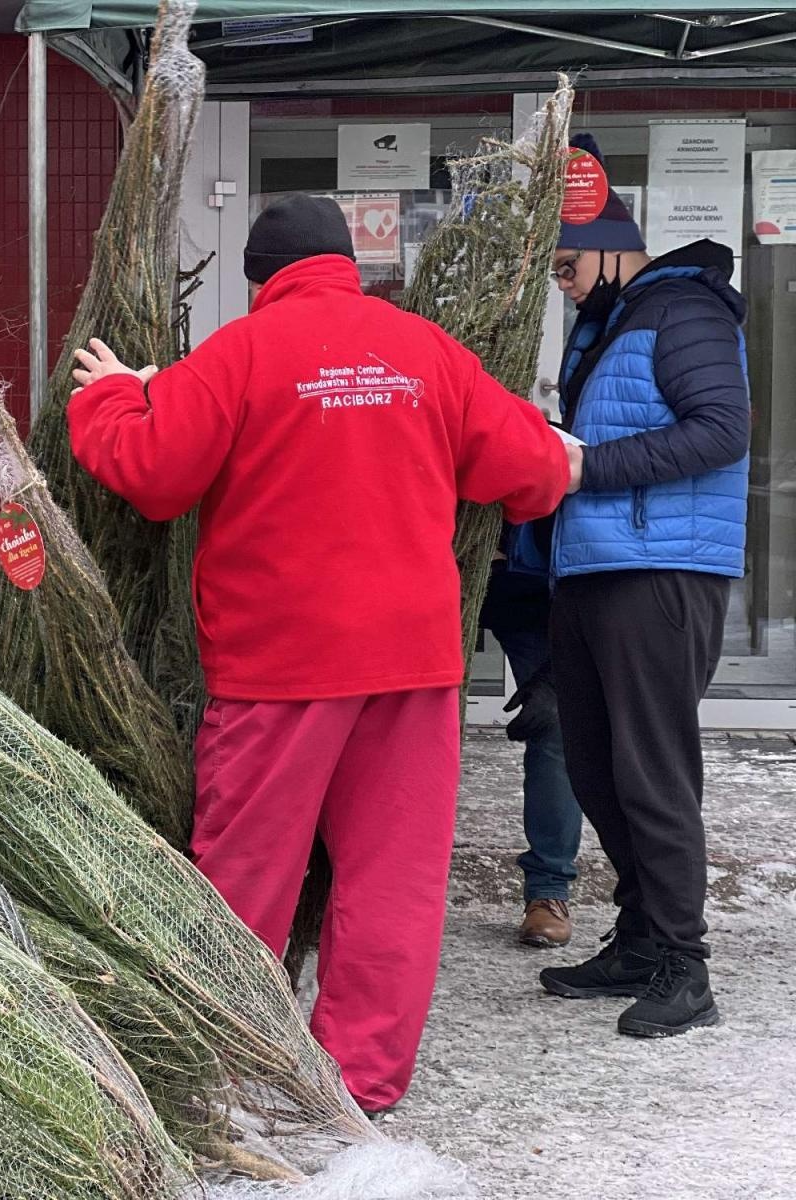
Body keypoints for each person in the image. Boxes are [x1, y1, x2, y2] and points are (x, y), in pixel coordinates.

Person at [66, 192, 574, 1111]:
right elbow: (532, 474)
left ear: (260, 282)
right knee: (393, 885)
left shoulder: (240, 354)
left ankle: (226, 1069)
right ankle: (361, 1087)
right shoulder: (426, 353)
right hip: (414, 670)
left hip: (279, 671)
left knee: (243, 885)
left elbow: (150, 472)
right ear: (351, 266)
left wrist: (111, 394)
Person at [537, 135, 751, 1038]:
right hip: (594, 569)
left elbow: (723, 430)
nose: (563, 282)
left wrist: (586, 467)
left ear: (617, 242)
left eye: (567, 262)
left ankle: (683, 965)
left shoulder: (683, 312)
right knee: (593, 765)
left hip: (661, 573)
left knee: (653, 773)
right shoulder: (615, 323)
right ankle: (638, 933)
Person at [479, 516, 584, 948]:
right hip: (438, 565)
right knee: (399, 725)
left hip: (544, 582)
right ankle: (375, 889)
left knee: (560, 726)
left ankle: (548, 893)